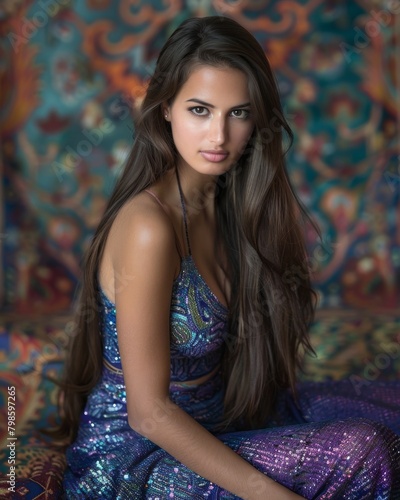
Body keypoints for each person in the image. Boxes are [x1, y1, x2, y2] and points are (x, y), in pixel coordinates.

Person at [58, 16, 400, 499]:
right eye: (200, 109)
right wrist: (268, 493)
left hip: (225, 415)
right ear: (165, 110)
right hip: (139, 453)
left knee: (389, 406)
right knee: (364, 449)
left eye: (237, 113)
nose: (218, 135)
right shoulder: (148, 227)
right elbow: (149, 412)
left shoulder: (230, 203)